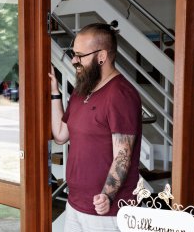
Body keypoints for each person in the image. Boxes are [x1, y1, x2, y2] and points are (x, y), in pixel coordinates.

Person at [48, 21, 142, 231]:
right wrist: (55, 92)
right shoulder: (82, 90)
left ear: (102, 56)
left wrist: (107, 195)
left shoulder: (121, 94)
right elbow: (61, 135)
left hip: (108, 210)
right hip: (75, 203)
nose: (74, 61)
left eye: (80, 55)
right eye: (73, 54)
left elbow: (123, 155)